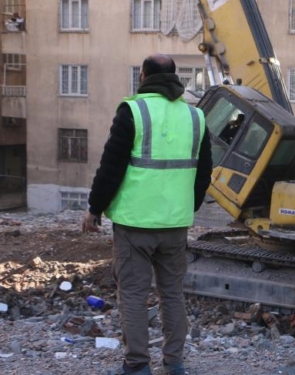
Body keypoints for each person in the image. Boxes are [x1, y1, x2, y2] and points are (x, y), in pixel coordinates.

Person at [82, 54, 212, 375]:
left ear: (143, 76)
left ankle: (138, 366)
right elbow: (204, 172)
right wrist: (187, 207)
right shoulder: (196, 117)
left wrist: (95, 209)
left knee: (133, 296)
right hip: (175, 225)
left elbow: (111, 166)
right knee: (172, 294)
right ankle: (175, 364)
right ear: (175, 78)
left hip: (135, 225)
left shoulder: (134, 112)